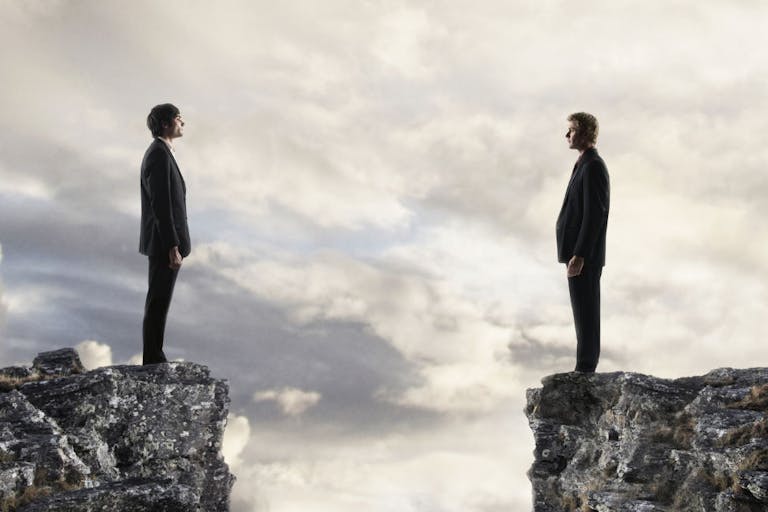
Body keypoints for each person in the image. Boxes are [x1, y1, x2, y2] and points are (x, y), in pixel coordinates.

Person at [556, 112, 610, 373]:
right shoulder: (583, 164)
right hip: (578, 254)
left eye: (572, 130)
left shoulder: (594, 166)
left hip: (584, 256)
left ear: (587, 133)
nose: (567, 135)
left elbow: (595, 213)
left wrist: (580, 254)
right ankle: (584, 365)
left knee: (587, 310)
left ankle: (586, 366)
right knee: (581, 310)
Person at [139, 103, 190, 365]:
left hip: (164, 243)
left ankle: (154, 356)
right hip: (163, 244)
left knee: (159, 300)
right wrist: (172, 245)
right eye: (179, 119)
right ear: (167, 123)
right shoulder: (158, 154)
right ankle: (153, 358)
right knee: (158, 301)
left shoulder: (162, 152)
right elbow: (161, 204)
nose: (183, 123)